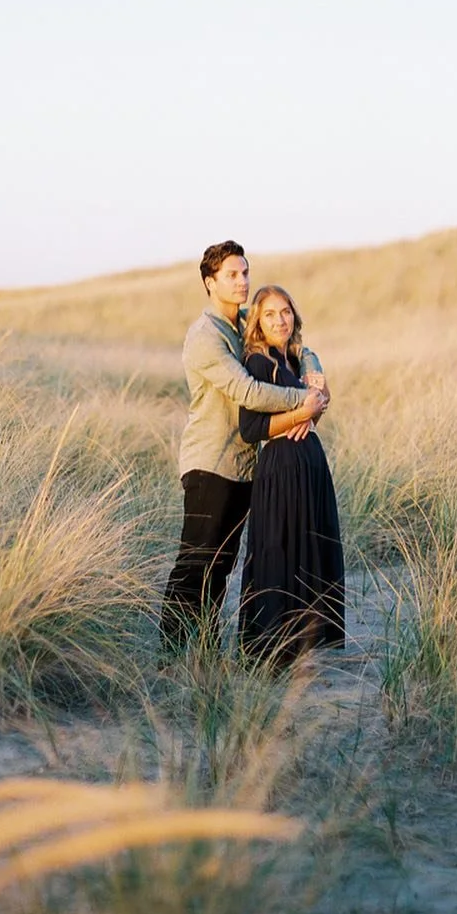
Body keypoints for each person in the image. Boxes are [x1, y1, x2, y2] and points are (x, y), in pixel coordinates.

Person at [159, 241, 329, 655]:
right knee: (196, 563)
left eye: (245, 272)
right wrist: (303, 404)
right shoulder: (205, 335)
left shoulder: (243, 324)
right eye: (232, 275)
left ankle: (203, 650)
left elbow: (295, 343)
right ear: (209, 282)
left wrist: (312, 370)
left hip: (246, 467)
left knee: (223, 567)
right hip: (211, 464)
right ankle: (169, 654)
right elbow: (245, 390)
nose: (242, 281)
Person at [237, 285, 345, 666]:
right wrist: (301, 414)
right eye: (269, 314)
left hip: (309, 465)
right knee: (277, 551)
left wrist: (314, 407)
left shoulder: (298, 360)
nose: (279, 320)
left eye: (285, 312)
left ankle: (303, 643)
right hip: (280, 468)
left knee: (308, 549)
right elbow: (250, 427)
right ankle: (268, 650)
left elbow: (320, 403)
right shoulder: (258, 362)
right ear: (257, 322)